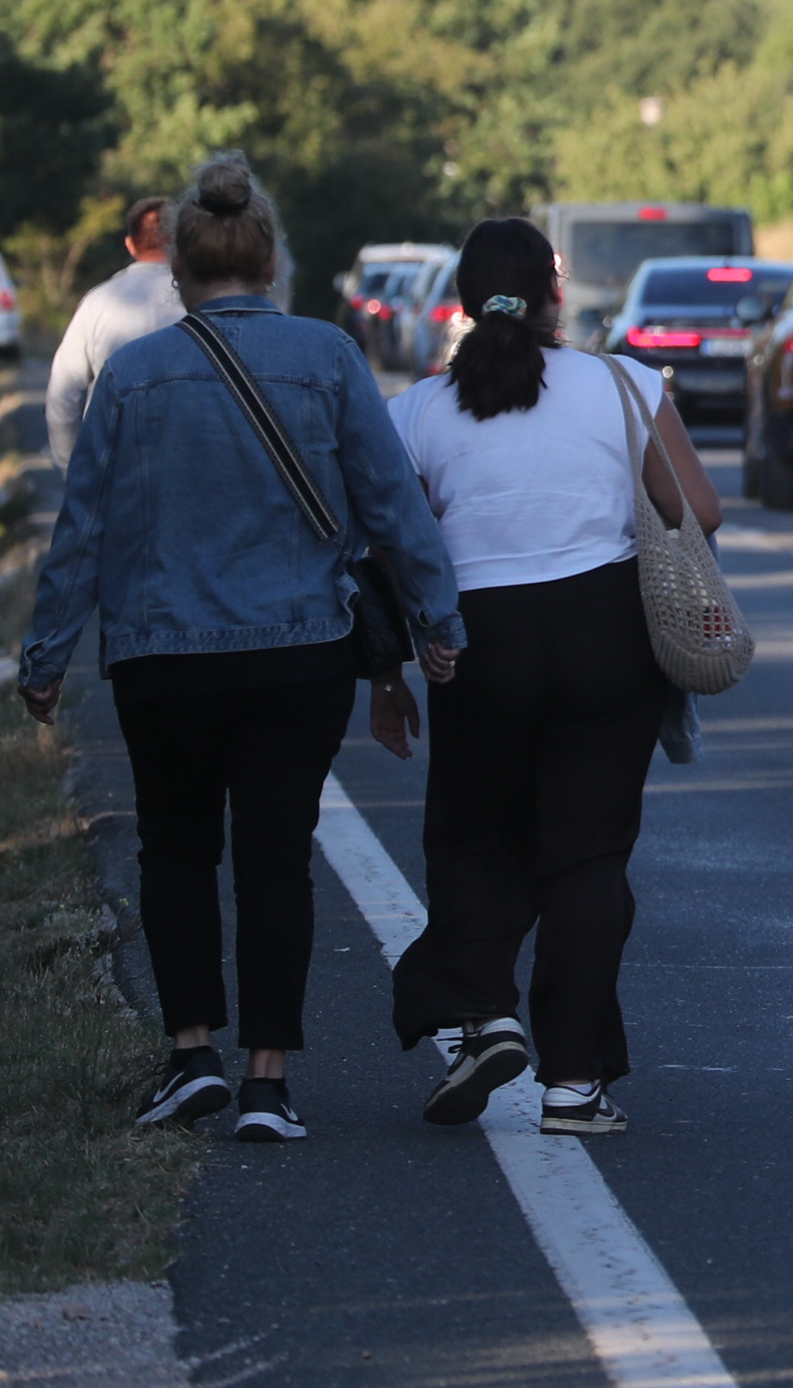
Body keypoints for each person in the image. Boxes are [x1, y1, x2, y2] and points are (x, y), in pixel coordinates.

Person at [19, 156, 465, 1145]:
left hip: (160, 652)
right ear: (271, 260)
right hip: (297, 651)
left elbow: (81, 527)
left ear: (177, 263)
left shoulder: (131, 374)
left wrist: (45, 655)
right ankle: (269, 1080)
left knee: (175, 846)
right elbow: (393, 505)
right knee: (275, 857)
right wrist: (440, 623)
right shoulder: (330, 356)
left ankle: (191, 1055)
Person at [383, 217, 721, 1138]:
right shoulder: (623, 384)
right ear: (554, 296)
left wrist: (402, 657)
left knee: (473, 836)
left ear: (459, 299)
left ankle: (485, 1016)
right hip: (603, 634)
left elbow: (395, 549)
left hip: (477, 639)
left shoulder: (416, 411)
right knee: (587, 857)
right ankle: (574, 1086)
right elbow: (698, 505)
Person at [41, 197, 179, 473]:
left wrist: (70, 467)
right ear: (182, 242)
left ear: (130, 244)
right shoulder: (200, 302)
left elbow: (62, 394)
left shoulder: (98, 302)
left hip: (112, 467)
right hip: (183, 469)